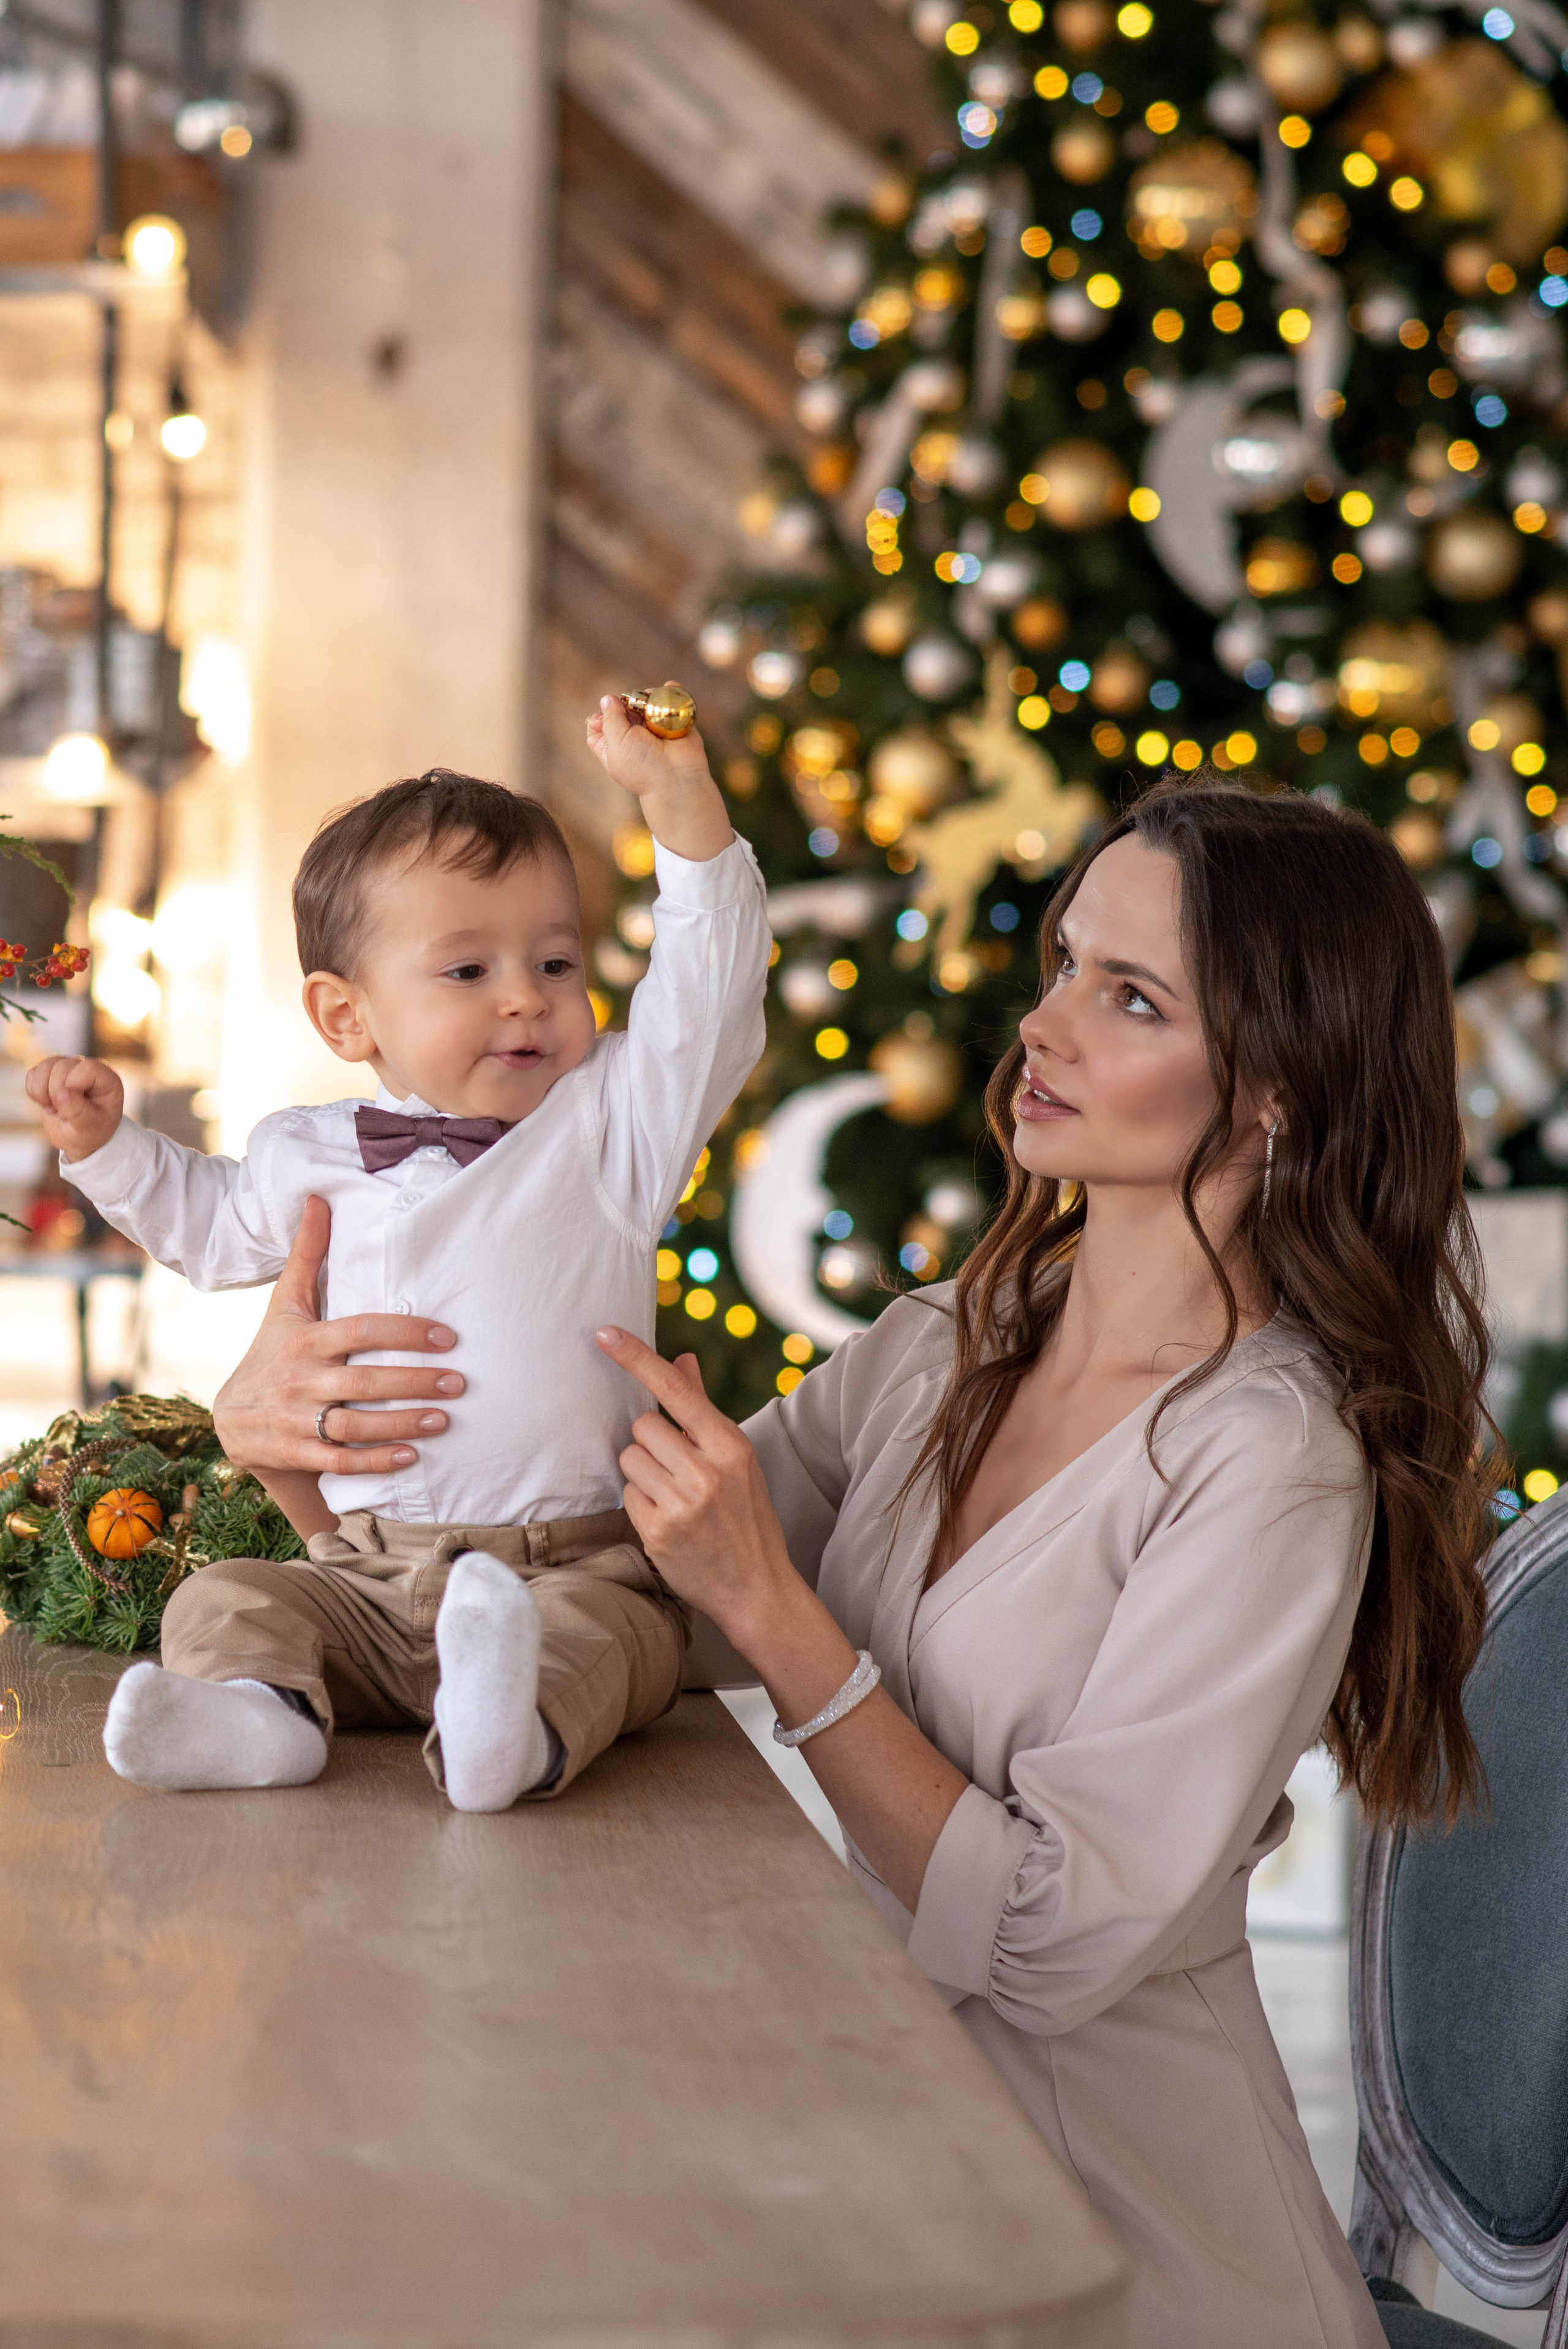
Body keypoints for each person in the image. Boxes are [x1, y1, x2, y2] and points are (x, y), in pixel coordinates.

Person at [208, 781, 1493, 2349]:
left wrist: (774, 1610)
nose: (1042, 1025)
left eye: (1130, 998)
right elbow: (621, 1598)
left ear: (1278, 1089)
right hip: (879, 2165)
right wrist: (299, 1470)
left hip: (1118, 2257)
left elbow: (1048, 1941)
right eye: (1066, 962)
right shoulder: (951, 1340)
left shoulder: (1269, 1461)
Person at [26, 701, 770, 1812]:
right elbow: (211, 1229)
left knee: (617, 1641)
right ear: (346, 1018)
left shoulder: (614, 1127)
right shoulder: (307, 1151)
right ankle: (261, 1718)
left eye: (556, 961)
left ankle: (507, 1735)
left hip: (572, 1570)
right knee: (225, 1598)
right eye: (468, 971)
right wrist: (107, 1147)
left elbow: (711, 992)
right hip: (366, 1577)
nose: (526, 996)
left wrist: (677, 798)